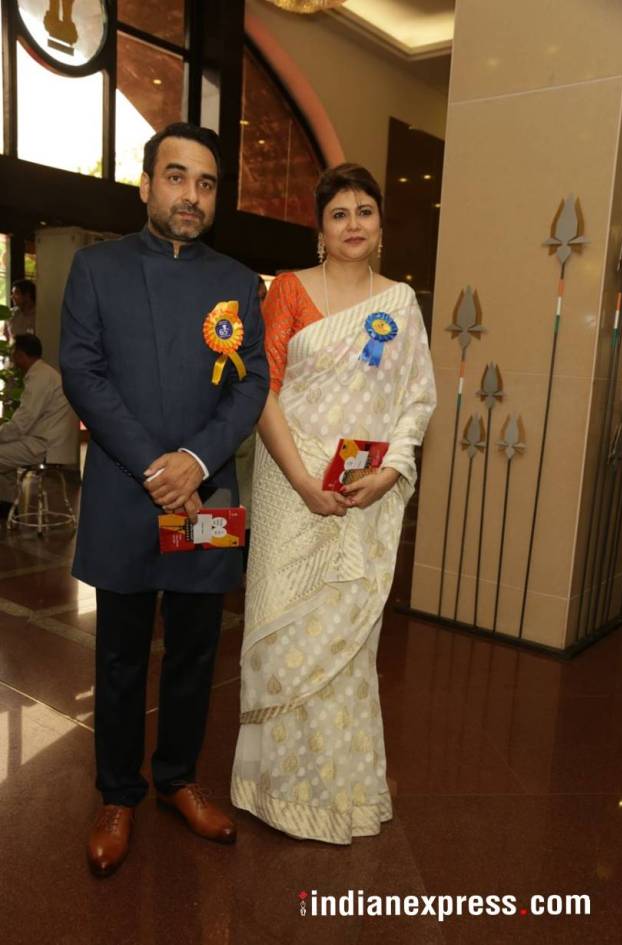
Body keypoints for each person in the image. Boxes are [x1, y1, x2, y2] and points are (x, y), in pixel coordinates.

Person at [60, 122, 269, 877]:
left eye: (206, 183)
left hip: (207, 492)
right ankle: (118, 792)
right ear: (147, 184)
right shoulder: (96, 268)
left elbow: (252, 381)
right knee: (118, 656)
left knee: (195, 650)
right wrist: (158, 462)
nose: (191, 195)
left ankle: (178, 778)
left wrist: (198, 458)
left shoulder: (240, 281)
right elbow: (83, 372)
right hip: (127, 492)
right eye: (177, 177)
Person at [231, 163, 437, 844]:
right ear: (320, 228)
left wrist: (390, 472)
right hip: (293, 487)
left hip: (364, 493)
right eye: (339, 213)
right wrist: (299, 480)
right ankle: (274, 788)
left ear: (380, 226)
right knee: (284, 636)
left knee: (348, 648)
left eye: (365, 211)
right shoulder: (289, 291)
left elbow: (416, 399)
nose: (353, 223)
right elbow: (262, 389)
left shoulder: (401, 302)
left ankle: (338, 791)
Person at [0, 333, 77, 514]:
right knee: (5, 454)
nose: (13, 358)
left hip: (44, 446)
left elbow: (22, 422)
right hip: (47, 442)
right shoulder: (45, 373)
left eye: (13, 353)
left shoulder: (39, 377)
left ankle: (7, 506)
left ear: (20, 354)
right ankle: (7, 505)